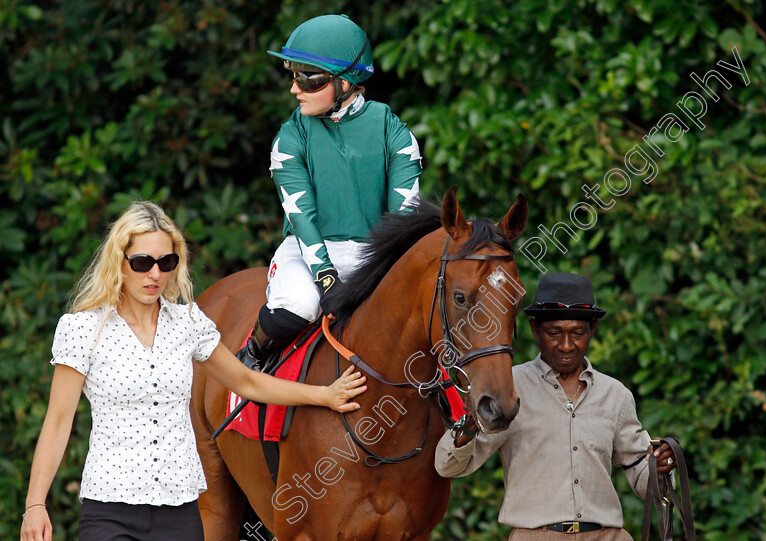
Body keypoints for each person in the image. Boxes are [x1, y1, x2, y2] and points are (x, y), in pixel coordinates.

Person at [19, 202, 367, 541]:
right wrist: (35, 504)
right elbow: (58, 421)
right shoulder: (82, 329)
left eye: (165, 262)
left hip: (181, 513)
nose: (155, 274)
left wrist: (325, 394)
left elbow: (246, 381)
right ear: (119, 262)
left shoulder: (188, 323)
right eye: (142, 263)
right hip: (110, 512)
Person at [237, 14, 423, 369]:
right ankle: (250, 360)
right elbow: (301, 217)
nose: (294, 89)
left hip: (377, 253)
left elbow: (404, 220)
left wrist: (385, 271)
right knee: (299, 308)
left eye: (308, 80)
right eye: (293, 77)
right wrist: (324, 275)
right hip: (308, 252)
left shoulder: (394, 131)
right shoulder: (290, 137)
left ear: (346, 83)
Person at [435, 273, 676, 540]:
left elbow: (644, 480)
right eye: (553, 333)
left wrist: (660, 466)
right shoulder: (510, 388)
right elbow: (450, 467)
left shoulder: (615, 395)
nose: (566, 345)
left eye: (577, 333)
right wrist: (468, 426)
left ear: (592, 331)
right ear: (534, 329)